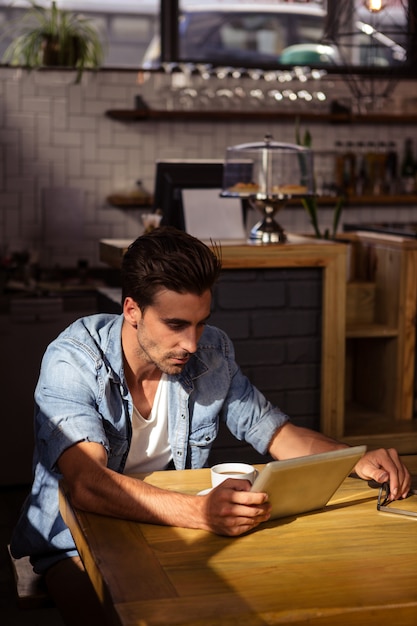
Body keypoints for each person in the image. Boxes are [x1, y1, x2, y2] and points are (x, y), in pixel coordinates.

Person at [11, 226, 410, 625]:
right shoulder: (73, 359)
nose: (191, 343)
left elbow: (275, 432)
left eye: (200, 323)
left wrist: (353, 459)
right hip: (73, 543)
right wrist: (199, 512)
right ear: (132, 310)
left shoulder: (212, 352)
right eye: (176, 325)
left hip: (164, 529)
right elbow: (87, 483)